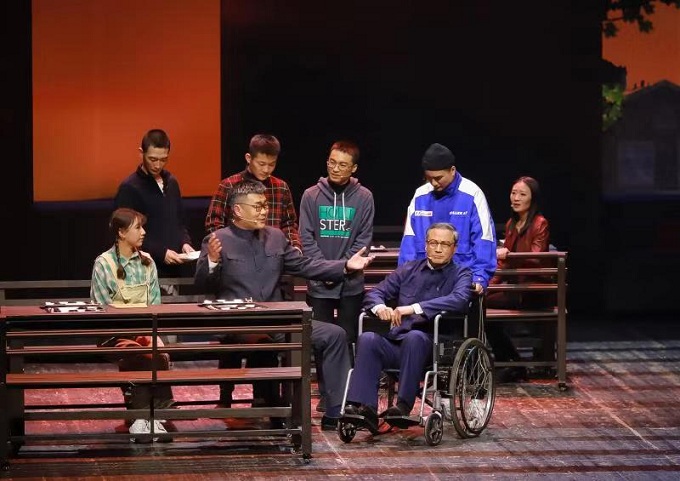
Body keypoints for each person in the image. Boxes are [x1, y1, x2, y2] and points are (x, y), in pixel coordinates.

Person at [194, 180, 374, 430]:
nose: (264, 211)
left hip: (278, 320)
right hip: (240, 324)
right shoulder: (217, 240)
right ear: (237, 210)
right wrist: (212, 262)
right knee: (262, 344)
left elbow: (305, 265)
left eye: (265, 206)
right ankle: (276, 410)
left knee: (335, 334)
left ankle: (336, 412)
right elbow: (202, 284)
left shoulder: (276, 237)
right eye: (257, 207)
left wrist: (344, 266)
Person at [344, 223, 472, 433]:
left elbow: (459, 299)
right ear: (426, 245)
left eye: (445, 244)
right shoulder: (408, 269)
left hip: (432, 347)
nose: (438, 249)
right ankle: (364, 408)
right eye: (433, 243)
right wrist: (380, 307)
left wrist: (413, 308)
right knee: (368, 338)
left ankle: (403, 405)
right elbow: (375, 293)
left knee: (415, 337)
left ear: (454, 248)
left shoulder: (461, 273)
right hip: (398, 343)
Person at [90, 208, 174, 441]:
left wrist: (150, 334)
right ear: (121, 232)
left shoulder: (148, 262)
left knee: (158, 352)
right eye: (138, 227)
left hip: (144, 331)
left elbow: (155, 304)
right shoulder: (104, 263)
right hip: (113, 334)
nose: (143, 232)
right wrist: (136, 334)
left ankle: (152, 417)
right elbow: (102, 309)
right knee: (139, 354)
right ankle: (141, 418)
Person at [299, 140, 374, 349]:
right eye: (332, 162)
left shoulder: (364, 197)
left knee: (348, 341)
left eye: (342, 164)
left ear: (353, 168)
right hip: (319, 283)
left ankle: (347, 373)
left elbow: (363, 240)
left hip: (350, 285)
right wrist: (326, 271)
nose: (335, 168)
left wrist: (342, 269)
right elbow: (306, 238)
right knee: (319, 342)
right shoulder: (310, 195)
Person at [398, 143, 496, 295]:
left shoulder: (472, 193)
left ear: (452, 170)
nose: (434, 183)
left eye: (438, 178)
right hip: (423, 281)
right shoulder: (420, 195)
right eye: (429, 178)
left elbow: (484, 239)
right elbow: (409, 241)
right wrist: (405, 277)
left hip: (461, 281)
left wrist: (479, 278)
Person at [486, 176, 551, 380]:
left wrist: (510, 255)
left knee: (478, 305)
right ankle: (511, 361)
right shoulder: (511, 224)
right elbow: (503, 262)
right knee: (476, 302)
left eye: (522, 194)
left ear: (533, 198)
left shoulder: (540, 223)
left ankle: (512, 362)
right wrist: (488, 286)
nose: (516, 198)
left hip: (533, 289)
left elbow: (536, 258)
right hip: (515, 287)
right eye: (514, 193)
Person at [114, 129, 195, 287]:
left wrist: (184, 243)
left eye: (163, 160)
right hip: (141, 271)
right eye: (152, 159)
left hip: (173, 271)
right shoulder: (129, 188)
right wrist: (161, 252)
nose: (157, 165)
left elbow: (179, 222)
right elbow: (125, 233)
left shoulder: (171, 182)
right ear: (141, 153)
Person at [204, 134, 301, 250]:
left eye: (271, 164)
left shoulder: (281, 187)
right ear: (249, 158)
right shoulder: (228, 185)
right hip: (238, 253)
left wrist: (295, 247)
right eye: (261, 164)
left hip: (274, 254)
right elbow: (214, 224)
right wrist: (229, 249)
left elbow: (289, 225)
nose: (266, 170)